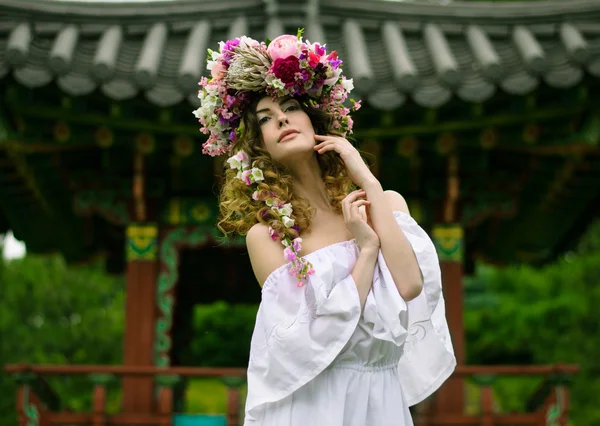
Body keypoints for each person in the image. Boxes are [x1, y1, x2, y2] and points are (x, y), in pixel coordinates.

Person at [193, 31, 456, 426]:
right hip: (315, 401)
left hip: (381, 397)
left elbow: (409, 285)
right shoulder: (267, 237)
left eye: (290, 106)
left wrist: (365, 177)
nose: (281, 118)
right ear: (259, 144)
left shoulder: (384, 203)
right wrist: (366, 253)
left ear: (315, 120)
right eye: (265, 118)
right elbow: (306, 341)